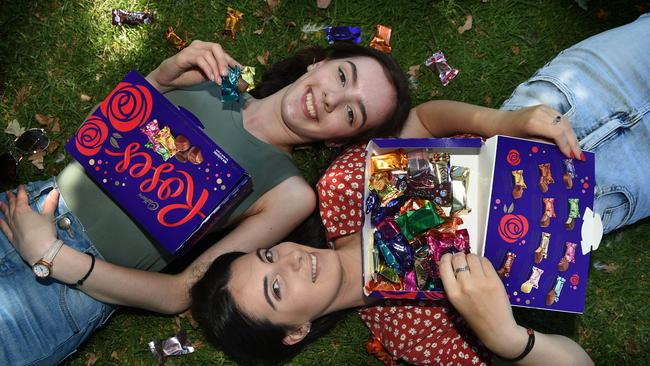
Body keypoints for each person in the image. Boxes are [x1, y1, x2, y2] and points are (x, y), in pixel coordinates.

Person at [190, 13, 650, 366]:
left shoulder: (341, 191)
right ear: (296, 331)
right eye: (276, 289)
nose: (290, 262)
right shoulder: (411, 334)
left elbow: (425, 120)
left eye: (269, 256)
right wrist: (508, 339)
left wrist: (503, 121)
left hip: (557, 102)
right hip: (605, 195)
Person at [0, 41, 411, 365]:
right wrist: (161, 78)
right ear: (316, 64)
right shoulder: (207, 76)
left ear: (340, 140)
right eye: (342, 76)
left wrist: (53, 255)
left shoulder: (290, 194)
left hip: (69, 287)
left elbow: (182, 292)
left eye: (352, 113)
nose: (331, 100)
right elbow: (96, 138)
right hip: (31, 203)